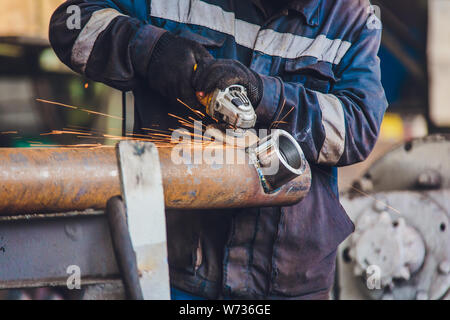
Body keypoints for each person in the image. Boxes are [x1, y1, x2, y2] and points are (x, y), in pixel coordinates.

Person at [49, 0, 388, 300]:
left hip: (290, 279)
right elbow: (72, 24)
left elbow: (358, 127)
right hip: (172, 267)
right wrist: (152, 51)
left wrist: (262, 94)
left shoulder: (351, 16)